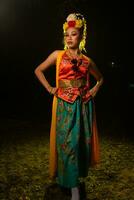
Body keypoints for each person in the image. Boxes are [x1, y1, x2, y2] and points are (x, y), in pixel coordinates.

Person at [34, 13, 103, 200]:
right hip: (64, 107)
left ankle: (73, 184)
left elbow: (100, 78)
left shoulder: (87, 61)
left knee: (78, 145)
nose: (69, 37)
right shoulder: (58, 55)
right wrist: (50, 88)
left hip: (82, 107)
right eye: (67, 34)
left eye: (73, 34)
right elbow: (38, 70)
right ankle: (71, 188)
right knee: (66, 146)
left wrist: (95, 89)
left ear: (80, 36)